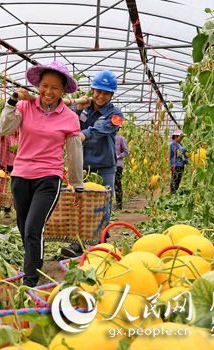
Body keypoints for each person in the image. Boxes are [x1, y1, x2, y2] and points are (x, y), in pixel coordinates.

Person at [0, 61, 84, 288]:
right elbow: (5, 129)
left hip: (49, 178)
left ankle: (30, 281)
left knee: (33, 228)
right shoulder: (25, 107)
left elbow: (75, 153)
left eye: (55, 88)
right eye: (45, 86)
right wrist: (13, 100)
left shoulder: (69, 118)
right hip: (20, 176)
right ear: (38, 85)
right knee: (23, 226)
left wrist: (77, 185)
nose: (48, 92)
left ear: (64, 90)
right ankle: (35, 263)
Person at [61, 70, 123, 257]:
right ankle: (76, 244)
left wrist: (85, 134)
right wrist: (77, 110)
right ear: (92, 90)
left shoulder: (116, 114)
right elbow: (67, 121)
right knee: (77, 204)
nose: (101, 96)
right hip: (80, 165)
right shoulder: (83, 108)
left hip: (104, 167)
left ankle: (99, 242)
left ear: (111, 95)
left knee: (102, 205)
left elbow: (103, 129)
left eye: (106, 93)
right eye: (98, 91)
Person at [0, 133, 18, 218]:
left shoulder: (20, 136)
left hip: (16, 165)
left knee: (10, 189)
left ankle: (8, 210)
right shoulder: (6, 135)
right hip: (4, 164)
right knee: (0, 187)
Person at [170, 129, 188, 194]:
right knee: (174, 179)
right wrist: (186, 148)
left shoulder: (181, 144)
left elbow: (183, 153)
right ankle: (173, 193)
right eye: (180, 137)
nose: (181, 139)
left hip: (181, 164)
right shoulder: (173, 144)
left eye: (182, 137)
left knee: (179, 179)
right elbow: (178, 152)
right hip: (175, 164)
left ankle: (176, 191)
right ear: (176, 137)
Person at [115, 127, 129, 210]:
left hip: (117, 165)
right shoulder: (107, 138)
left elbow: (126, 152)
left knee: (117, 185)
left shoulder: (121, 139)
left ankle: (119, 205)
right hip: (108, 165)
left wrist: (118, 156)